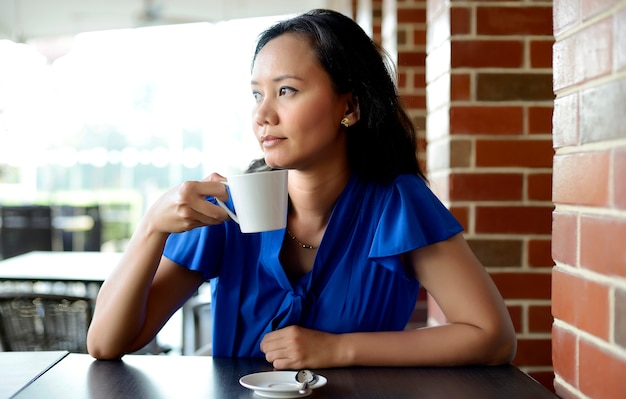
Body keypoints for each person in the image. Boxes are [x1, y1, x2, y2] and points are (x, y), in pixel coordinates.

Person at [87, 9, 516, 368]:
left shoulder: (396, 203)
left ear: (349, 106)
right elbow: (106, 344)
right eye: (257, 94)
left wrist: (338, 349)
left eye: (286, 90)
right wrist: (151, 228)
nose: (263, 115)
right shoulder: (227, 208)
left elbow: (493, 337)